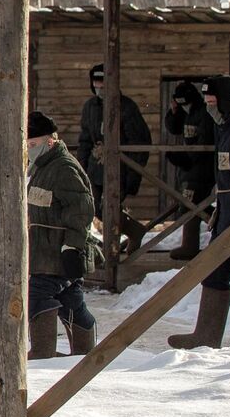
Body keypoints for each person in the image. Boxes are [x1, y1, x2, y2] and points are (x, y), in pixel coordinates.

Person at [170, 76, 230, 349]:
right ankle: (206, 336)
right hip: (227, 209)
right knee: (214, 270)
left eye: (214, 103)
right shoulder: (222, 127)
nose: (210, 109)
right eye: (207, 103)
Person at [26, 111, 99, 358]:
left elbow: (81, 210)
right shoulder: (43, 166)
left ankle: (42, 354)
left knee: (37, 295)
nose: (29, 149)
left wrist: (72, 248)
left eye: (33, 144)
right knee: (70, 298)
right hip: (44, 251)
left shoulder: (64, 168)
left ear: (50, 141)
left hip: (57, 251)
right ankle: (85, 352)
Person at [75, 63, 152, 253]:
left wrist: (133, 175)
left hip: (119, 168)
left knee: (110, 209)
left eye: (104, 84)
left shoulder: (126, 107)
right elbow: (85, 138)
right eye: (97, 84)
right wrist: (82, 165)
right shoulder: (90, 107)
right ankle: (127, 235)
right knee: (94, 207)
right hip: (95, 167)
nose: (100, 88)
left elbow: (139, 142)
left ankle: (113, 250)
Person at [162, 81, 215, 262]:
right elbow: (173, 128)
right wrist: (174, 111)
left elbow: (204, 144)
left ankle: (191, 245)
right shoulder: (189, 114)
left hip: (202, 167)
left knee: (192, 204)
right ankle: (209, 233)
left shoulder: (204, 114)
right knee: (194, 204)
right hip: (192, 167)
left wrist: (185, 159)